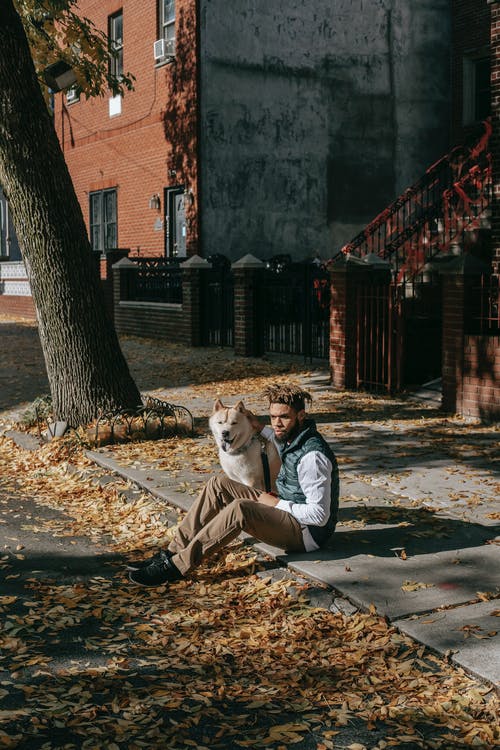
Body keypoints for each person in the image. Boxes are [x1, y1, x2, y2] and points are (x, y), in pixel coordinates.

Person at [128, 384, 339, 587]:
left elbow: (320, 516)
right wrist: (259, 428)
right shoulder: (294, 437)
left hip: (307, 535)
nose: (277, 424)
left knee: (240, 508)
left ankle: (176, 566)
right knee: (218, 484)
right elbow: (280, 443)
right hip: (288, 513)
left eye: (284, 417)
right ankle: (172, 552)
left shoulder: (313, 457)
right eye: (273, 417)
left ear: (301, 416)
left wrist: (275, 504)